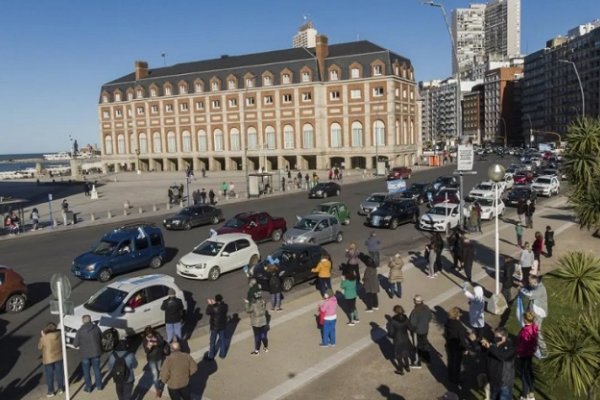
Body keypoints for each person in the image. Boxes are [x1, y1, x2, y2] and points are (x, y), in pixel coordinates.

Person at [481, 327, 516, 400]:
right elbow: (488, 357)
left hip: (504, 384)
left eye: (497, 337)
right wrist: (484, 346)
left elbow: (502, 356)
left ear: (504, 337)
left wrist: (490, 347)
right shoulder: (494, 344)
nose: (495, 339)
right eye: (494, 336)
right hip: (493, 382)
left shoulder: (510, 348)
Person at [73, 314, 103, 393]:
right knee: (97, 370)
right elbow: (101, 337)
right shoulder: (96, 328)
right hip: (96, 352)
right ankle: (99, 386)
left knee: (86, 372)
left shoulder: (80, 331)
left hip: (85, 354)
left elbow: (75, 344)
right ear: (90, 320)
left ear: (82, 321)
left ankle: (89, 387)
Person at [519, 275, 548, 356]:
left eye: (530, 282)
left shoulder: (540, 289)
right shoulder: (536, 285)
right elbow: (529, 288)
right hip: (533, 311)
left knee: (537, 332)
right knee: (528, 329)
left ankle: (543, 350)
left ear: (535, 282)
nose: (529, 283)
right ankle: (530, 345)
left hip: (538, 314)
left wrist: (522, 289)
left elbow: (529, 294)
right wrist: (525, 285)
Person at [444, 307, 469, 385]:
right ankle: (456, 379)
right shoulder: (459, 326)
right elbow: (462, 338)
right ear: (457, 315)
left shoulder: (448, 322)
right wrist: (466, 348)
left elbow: (446, 334)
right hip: (457, 346)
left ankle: (450, 377)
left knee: (451, 361)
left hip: (449, 345)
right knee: (457, 364)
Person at [516, 311, 539, 400]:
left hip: (524, 354)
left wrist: (518, 353)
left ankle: (525, 395)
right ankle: (531, 392)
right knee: (529, 372)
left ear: (525, 320)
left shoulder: (525, 331)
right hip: (530, 353)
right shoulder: (534, 328)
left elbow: (522, 345)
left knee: (524, 375)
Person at [38, 322, 65, 397]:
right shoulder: (59, 335)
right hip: (59, 356)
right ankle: (61, 388)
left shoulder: (45, 337)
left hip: (48, 359)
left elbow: (39, 347)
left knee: (49, 375)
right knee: (59, 373)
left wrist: (43, 336)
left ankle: (51, 391)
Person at [388, 305, 414, 375]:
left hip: (397, 339)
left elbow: (391, 332)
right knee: (405, 352)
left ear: (395, 311)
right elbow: (410, 327)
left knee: (399, 355)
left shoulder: (393, 320)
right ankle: (407, 367)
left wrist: (392, 336)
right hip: (405, 338)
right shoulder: (405, 318)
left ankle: (401, 370)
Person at [409, 295, 432, 367]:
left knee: (418, 346)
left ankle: (418, 362)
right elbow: (430, 317)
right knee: (424, 344)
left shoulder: (415, 311)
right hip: (425, 329)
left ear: (415, 301)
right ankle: (427, 360)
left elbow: (412, 323)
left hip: (418, 331)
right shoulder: (426, 308)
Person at [142, 326, 166, 398]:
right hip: (151, 359)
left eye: (151, 335)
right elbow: (146, 351)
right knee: (155, 376)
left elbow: (162, 343)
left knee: (159, 370)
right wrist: (149, 347)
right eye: (148, 336)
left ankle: (160, 381)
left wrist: (156, 343)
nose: (150, 337)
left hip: (159, 357)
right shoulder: (144, 340)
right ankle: (158, 390)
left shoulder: (157, 335)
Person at [205, 294, 228, 360]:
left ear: (215, 300)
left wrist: (210, 304)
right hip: (222, 326)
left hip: (214, 327)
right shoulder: (225, 306)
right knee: (222, 340)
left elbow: (207, 312)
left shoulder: (213, 307)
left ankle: (211, 356)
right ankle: (222, 355)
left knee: (212, 341)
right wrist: (214, 304)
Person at [245, 291, 269, 355]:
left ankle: (257, 351)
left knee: (257, 337)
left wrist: (247, 303)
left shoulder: (253, 305)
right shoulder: (263, 302)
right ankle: (266, 347)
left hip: (256, 323)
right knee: (263, 335)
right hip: (263, 321)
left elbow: (248, 310)